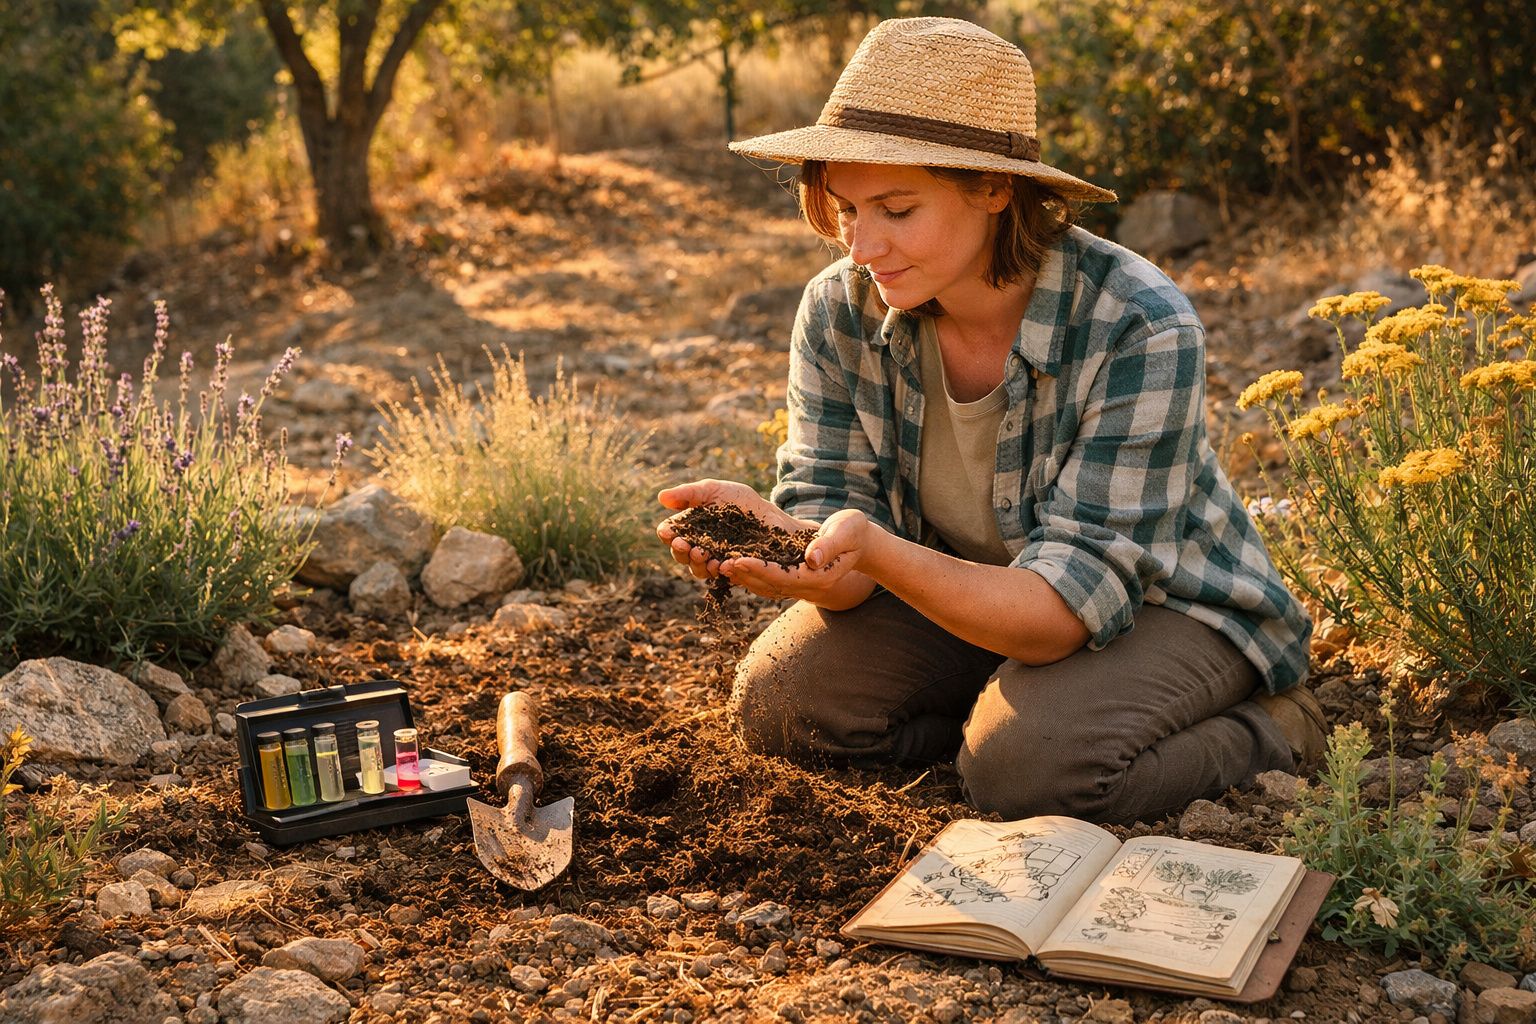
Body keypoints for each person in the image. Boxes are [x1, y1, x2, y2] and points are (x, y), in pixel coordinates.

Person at [656, 17, 1323, 825]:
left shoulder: (1138, 324)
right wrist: (790, 547)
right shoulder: (839, 308)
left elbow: (1058, 610)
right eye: (845, 209)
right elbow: (845, 543)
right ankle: (1005, 722)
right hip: (964, 592)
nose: (862, 245)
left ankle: (1271, 730)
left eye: (897, 209)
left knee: (1028, 771)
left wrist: (874, 553)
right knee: (783, 706)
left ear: (995, 189)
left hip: (1165, 607)